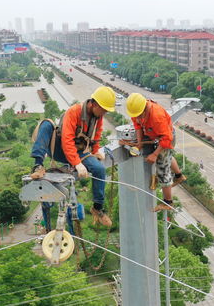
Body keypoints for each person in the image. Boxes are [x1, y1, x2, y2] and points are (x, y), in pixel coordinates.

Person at [30, 86, 116, 227]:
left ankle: (98, 208)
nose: (105, 113)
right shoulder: (74, 112)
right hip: (59, 148)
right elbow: (66, 140)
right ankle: (38, 165)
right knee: (46, 124)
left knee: (99, 169)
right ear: (93, 104)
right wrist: (77, 163)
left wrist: (94, 150)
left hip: (79, 151)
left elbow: (97, 133)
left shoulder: (97, 116)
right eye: (104, 109)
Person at [126, 93, 186, 212]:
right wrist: (139, 142)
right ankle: (179, 176)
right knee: (168, 157)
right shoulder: (136, 110)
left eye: (138, 115)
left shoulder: (156, 116)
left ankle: (168, 202)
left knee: (162, 168)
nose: (137, 117)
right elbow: (137, 126)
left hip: (166, 138)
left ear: (144, 109)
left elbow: (166, 139)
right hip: (157, 136)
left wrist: (154, 154)